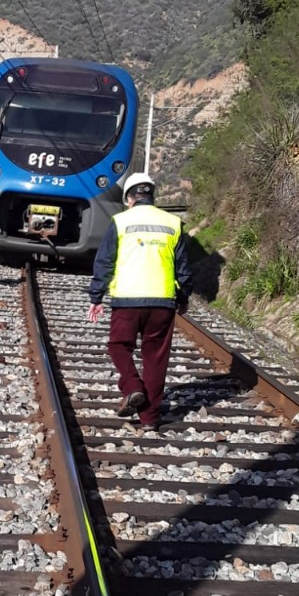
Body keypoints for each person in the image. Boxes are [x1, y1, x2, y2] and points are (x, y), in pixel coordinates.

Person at [87, 172, 193, 432]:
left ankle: (133, 387)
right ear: (152, 196)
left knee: (118, 346)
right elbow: (184, 268)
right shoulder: (172, 222)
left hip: (127, 300)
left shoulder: (120, 221)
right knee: (155, 358)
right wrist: (183, 297)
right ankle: (149, 419)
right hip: (162, 301)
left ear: (130, 198)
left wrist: (96, 296)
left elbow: (105, 261)